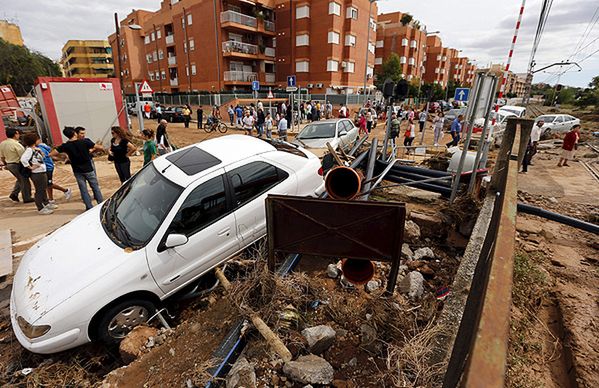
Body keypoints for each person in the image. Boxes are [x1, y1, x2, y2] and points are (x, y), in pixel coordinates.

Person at [50, 127, 104, 210]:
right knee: (95, 187)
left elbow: (52, 153)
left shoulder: (65, 146)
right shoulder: (85, 142)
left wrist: (61, 158)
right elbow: (100, 147)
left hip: (77, 170)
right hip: (88, 168)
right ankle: (101, 204)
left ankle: (89, 207)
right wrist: (92, 149)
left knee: (83, 189)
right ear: (75, 133)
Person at [21, 133, 54, 214]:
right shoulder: (29, 150)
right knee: (39, 190)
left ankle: (45, 203)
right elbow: (23, 160)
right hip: (37, 173)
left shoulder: (35, 149)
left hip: (41, 171)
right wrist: (31, 167)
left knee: (43, 188)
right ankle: (40, 207)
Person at [0, 127, 33, 203]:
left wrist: (5, 163)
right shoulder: (16, 144)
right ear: (15, 134)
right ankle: (27, 197)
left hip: (9, 164)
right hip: (17, 164)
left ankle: (14, 194)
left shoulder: (2, 143)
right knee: (24, 181)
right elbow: (23, 157)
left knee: (20, 179)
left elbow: (2, 157)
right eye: (17, 133)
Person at [38, 141, 72, 205]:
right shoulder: (42, 147)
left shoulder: (40, 148)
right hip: (47, 167)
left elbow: (45, 157)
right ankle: (51, 199)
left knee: (48, 183)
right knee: (48, 184)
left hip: (48, 167)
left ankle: (66, 190)